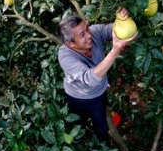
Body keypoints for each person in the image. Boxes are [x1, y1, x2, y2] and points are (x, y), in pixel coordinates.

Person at [57, 8, 138, 141]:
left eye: (87, 29)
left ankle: (103, 145)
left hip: (98, 94)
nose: (89, 35)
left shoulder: (95, 32)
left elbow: (123, 32)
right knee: (77, 124)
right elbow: (90, 78)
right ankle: (76, 142)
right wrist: (116, 49)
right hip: (77, 98)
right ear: (70, 44)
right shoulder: (65, 57)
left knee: (101, 124)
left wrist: (123, 20)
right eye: (82, 35)